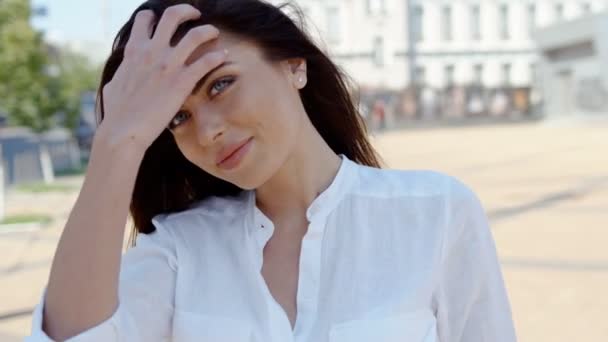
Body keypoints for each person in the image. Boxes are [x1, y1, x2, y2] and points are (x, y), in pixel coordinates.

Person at [26, 0, 517, 341]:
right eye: (178, 116)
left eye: (220, 85)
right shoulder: (179, 249)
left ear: (293, 65)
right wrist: (117, 143)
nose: (208, 130)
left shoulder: (435, 213)